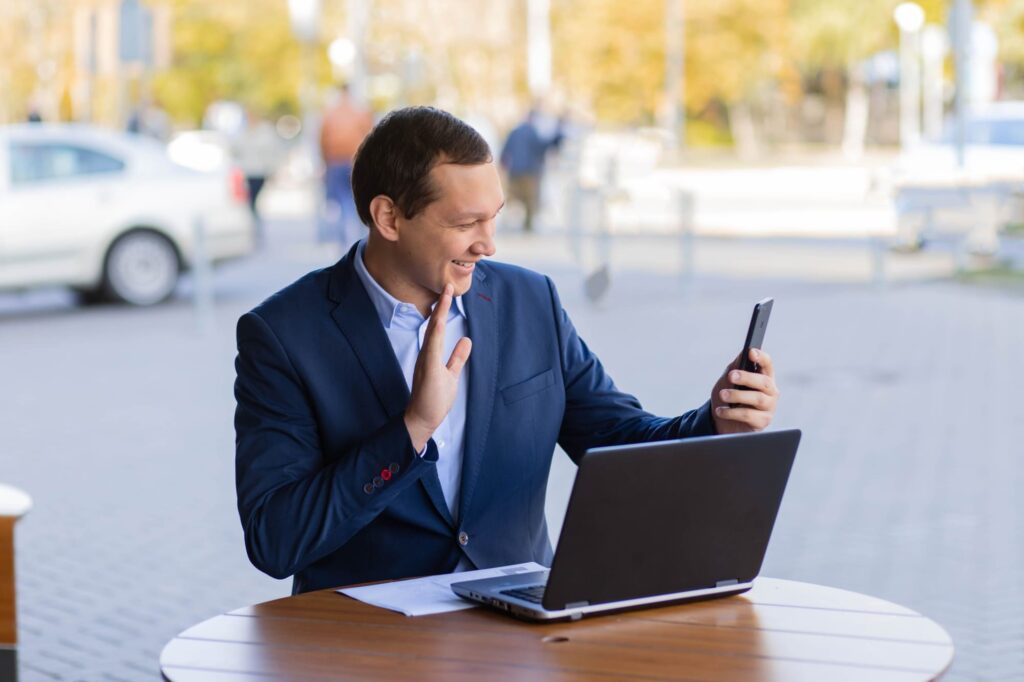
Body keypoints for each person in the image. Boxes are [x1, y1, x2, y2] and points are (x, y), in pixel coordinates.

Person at [234, 107, 779, 594]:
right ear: (389, 217)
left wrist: (716, 422)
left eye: (493, 216)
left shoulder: (530, 300)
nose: (488, 243)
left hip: (518, 634)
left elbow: (619, 440)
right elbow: (276, 540)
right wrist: (411, 430)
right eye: (466, 223)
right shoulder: (283, 335)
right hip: (367, 645)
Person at [319, 85, 373, 249]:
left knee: (342, 201)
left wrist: (325, 162)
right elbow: (371, 137)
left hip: (335, 161)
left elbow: (322, 140)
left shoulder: (330, 113)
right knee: (356, 199)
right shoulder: (360, 112)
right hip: (355, 160)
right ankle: (356, 237)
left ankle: (345, 237)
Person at [499, 109, 563, 232]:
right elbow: (542, 147)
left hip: (515, 170)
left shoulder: (514, 132)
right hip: (530, 172)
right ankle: (527, 225)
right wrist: (557, 136)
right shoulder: (533, 132)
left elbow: (505, 150)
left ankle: (507, 222)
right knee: (530, 200)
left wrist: (503, 165)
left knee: (512, 198)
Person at [232, 112, 284, 239]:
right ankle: (254, 228)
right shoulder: (243, 133)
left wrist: (273, 169)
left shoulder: (265, 133)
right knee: (250, 203)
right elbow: (235, 149)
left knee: (253, 202)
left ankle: (255, 228)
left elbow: (273, 152)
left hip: (260, 172)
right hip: (247, 172)